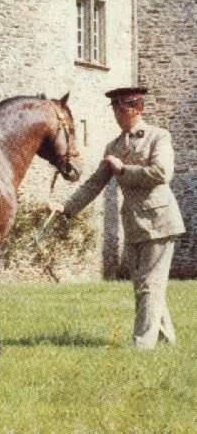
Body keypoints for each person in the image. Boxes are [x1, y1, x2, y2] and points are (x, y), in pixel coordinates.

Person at [50, 87, 185, 349]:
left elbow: (161, 173)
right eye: (114, 108)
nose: (116, 113)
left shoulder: (159, 136)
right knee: (145, 286)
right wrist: (66, 208)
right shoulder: (113, 146)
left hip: (160, 221)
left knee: (150, 285)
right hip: (134, 225)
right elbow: (93, 185)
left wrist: (123, 169)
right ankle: (166, 341)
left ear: (138, 108)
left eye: (121, 108)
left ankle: (142, 346)